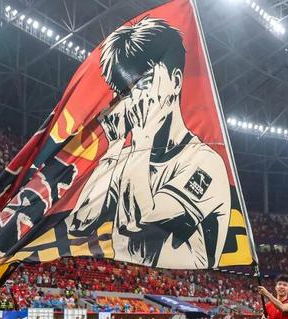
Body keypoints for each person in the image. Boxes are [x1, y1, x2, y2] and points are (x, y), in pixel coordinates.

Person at [68, 17, 231, 269]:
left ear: (175, 81)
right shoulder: (129, 156)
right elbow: (80, 222)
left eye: (143, 83)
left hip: (185, 282)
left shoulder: (205, 163)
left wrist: (141, 139)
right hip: (131, 275)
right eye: (126, 91)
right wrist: (115, 146)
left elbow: (141, 222)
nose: (134, 99)